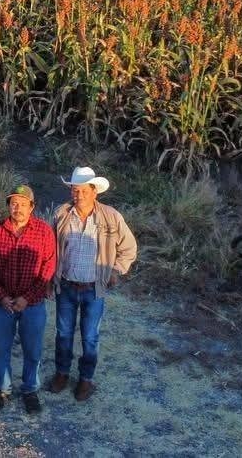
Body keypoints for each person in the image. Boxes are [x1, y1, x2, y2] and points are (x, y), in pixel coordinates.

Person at [47, 167, 138, 402]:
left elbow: (129, 247)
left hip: (94, 288)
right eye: (75, 190)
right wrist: (48, 277)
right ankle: (62, 373)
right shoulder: (61, 214)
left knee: (90, 337)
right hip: (66, 285)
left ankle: (86, 378)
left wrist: (116, 270)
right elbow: (50, 247)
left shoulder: (110, 216)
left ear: (94, 191)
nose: (78, 195)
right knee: (63, 333)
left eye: (83, 191)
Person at [0, 185, 57, 414]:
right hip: (2, 303)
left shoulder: (44, 231)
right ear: (8, 206)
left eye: (23, 204)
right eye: (14, 203)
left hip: (32, 304)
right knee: (1, 349)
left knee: (32, 350)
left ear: (32, 206)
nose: (18, 208)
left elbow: (48, 267)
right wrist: (1, 296)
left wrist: (27, 297)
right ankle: (1, 388)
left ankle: (30, 389)